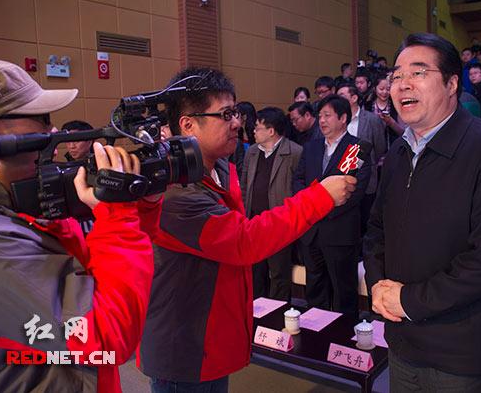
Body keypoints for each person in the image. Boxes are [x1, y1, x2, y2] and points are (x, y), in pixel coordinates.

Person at [138, 67, 357, 393]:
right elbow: (244, 240)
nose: (238, 123)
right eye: (225, 115)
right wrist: (320, 197)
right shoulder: (174, 191)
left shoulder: (219, 168)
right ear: (188, 124)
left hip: (212, 337)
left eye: (236, 113)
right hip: (185, 347)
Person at [0, 59, 156, 392]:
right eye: (42, 119)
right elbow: (104, 338)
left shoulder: (9, 204)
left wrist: (138, 205)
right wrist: (118, 215)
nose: (53, 132)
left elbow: (97, 271)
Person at [364, 33, 481, 391]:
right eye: (396, 75)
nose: (403, 83)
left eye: (418, 72)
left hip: (460, 349)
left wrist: (407, 300)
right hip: (402, 337)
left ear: (452, 84)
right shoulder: (398, 153)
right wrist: (378, 287)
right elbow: (376, 231)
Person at [293, 94, 370, 318]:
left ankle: (343, 334)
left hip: (338, 230)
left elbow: (353, 191)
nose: (322, 121)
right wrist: (311, 204)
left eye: (327, 115)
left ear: (343, 118)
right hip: (311, 230)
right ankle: (316, 329)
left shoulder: (355, 148)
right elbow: (298, 180)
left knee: (343, 289)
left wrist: (319, 205)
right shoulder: (312, 147)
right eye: (320, 116)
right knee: (315, 286)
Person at [241, 107, 302, 301]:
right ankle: (257, 311)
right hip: (254, 222)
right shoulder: (252, 152)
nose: (253, 131)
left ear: (271, 131)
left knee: (279, 274)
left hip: (279, 223)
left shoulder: (294, 152)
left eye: (258, 128)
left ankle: (278, 313)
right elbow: (244, 186)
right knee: (256, 271)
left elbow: (298, 189)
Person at [336, 83, 386, 239]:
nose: (338, 99)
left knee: (365, 221)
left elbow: (379, 147)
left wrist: (366, 165)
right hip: (340, 180)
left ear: (354, 98)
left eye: (342, 95)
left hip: (367, 180)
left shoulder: (371, 120)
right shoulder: (337, 119)